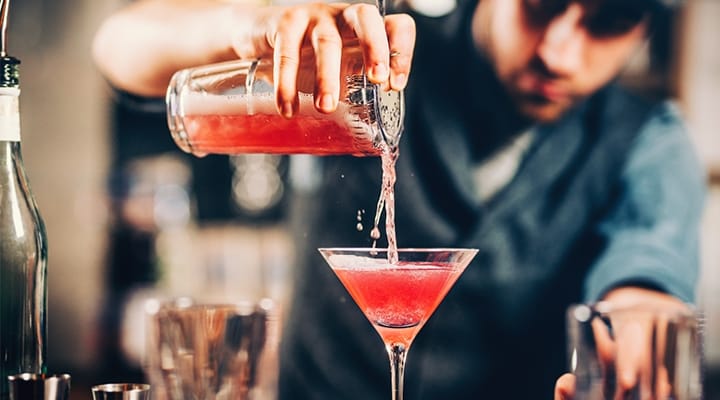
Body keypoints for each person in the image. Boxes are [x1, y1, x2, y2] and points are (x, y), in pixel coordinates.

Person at [92, 0, 706, 399]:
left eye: (609, 20)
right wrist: (244, 25)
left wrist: (633, 337)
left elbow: (644, 275)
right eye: (539, 7)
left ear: (647, 26)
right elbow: (118, 49)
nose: (558, 52)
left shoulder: (650, 142)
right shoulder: (366, 59)